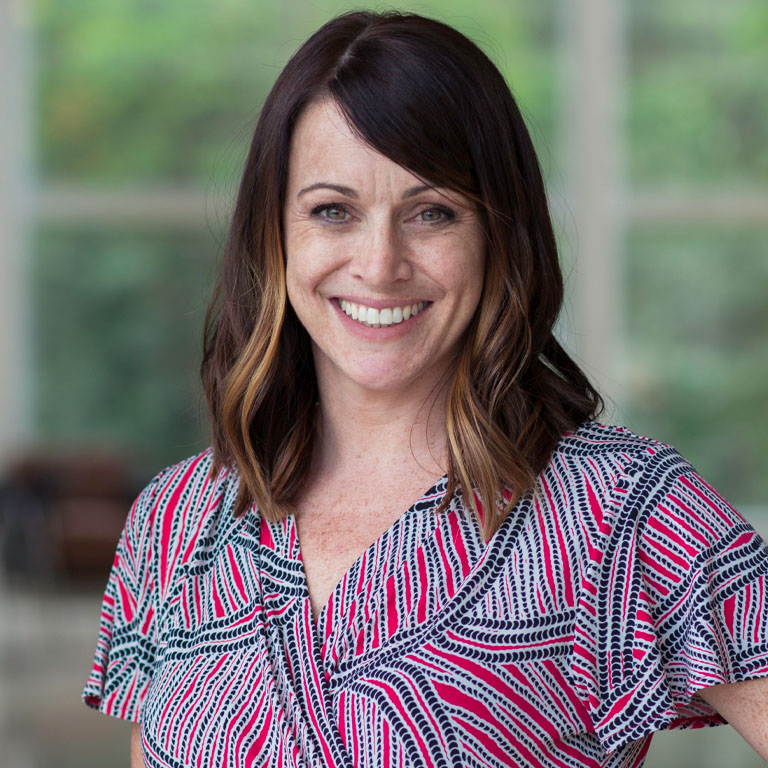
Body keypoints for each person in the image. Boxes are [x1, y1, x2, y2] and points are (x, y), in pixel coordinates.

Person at [82, 11, 768, 768]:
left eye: (432, 213)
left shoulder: (626, 509)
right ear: (273, 235)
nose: (380, 264)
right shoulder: (176, 520)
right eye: (333, 211)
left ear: (499, 234)